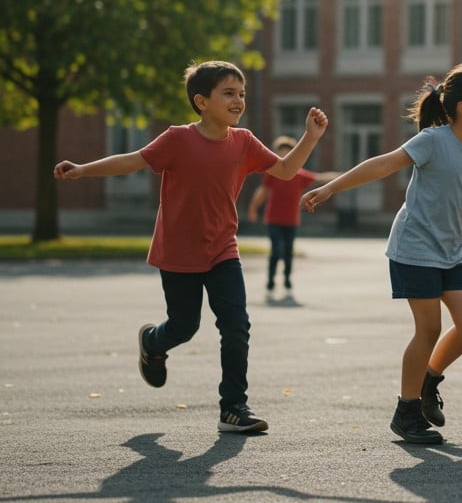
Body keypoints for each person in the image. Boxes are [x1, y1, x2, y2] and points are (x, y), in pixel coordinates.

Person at [54, 60, 328, 434]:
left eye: (242, 93)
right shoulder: (177, 139)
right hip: (179, 251)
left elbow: (283, 169)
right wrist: (83, 169)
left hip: (222, 250)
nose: (238, 100)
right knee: (184, 325)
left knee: (236, 326)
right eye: (228, 93)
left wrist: (310, 137)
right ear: (201, 101)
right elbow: (132, 161)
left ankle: (233, 407)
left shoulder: (244, 141)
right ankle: (153, 341)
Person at [299, 63, 462, 445]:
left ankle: (428, 380)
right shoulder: (433, 141)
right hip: (414, 247)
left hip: (451, 251)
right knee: (429, 328)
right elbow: (383, 165)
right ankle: (406, 412)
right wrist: (330, 189)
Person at [246, 135, 338, 295]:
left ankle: (287, 280)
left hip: (291, 220)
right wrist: (253, 209)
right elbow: (262, 192)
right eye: (281, 154)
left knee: (288, 252)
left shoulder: (299, 174)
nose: (284, 158)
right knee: (276, 251)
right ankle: (271, 280)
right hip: (273, 219)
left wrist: (346, 176)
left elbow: (321, 177)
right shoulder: (272, 174)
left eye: (288, 154)